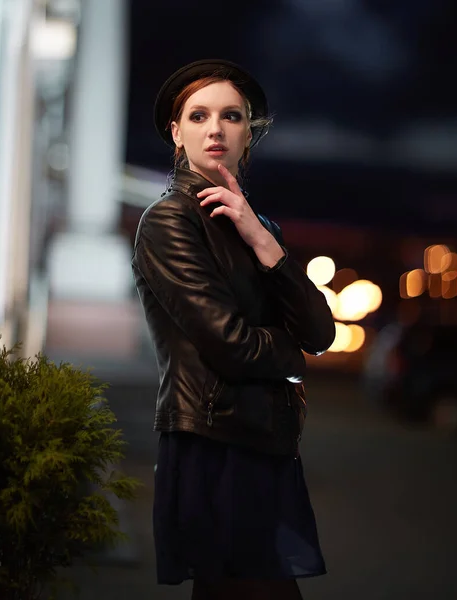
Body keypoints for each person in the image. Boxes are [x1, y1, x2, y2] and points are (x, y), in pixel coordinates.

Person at [131, 59, 336, 600]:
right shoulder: (168, 220)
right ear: (177, 133)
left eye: (230, 116)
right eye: (198, 116)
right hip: (213, 443)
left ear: (250, 132)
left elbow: (319, 331)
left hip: (266, 442)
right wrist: (291, 358)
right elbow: (231, 346)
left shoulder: (259, 226)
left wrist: (266, 244)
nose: (215, 128)